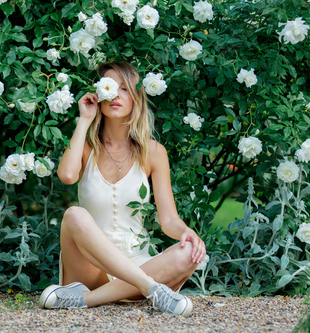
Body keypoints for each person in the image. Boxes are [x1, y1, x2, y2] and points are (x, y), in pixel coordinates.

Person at [39, 62, 206, 317]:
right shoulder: (86, 147)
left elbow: (168, 219)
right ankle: (150, 288)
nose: (116, 95)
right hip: (89, 268)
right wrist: (84, 120)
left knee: (189, 252)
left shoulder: (154, 152)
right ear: (99, 95)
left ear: (136, 99)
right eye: (110, 88)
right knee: (74, 215)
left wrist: (187, 232)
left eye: (125, 89)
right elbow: (68, 175)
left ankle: (87, 300)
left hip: (139, 262)